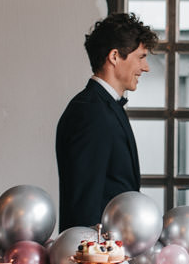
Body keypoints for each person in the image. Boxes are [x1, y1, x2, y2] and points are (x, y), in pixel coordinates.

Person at [56, 12, 158, 231]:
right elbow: (84, 202)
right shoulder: (90, 112)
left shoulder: (104, 107)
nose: (146, 67)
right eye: (140, 57)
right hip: (96, 256)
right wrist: (94, 259)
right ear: (114, 56)